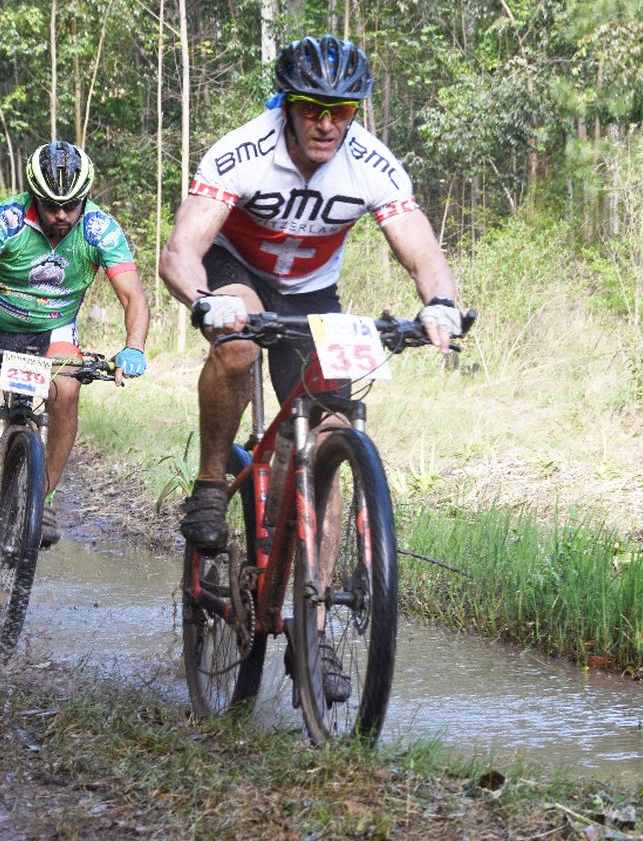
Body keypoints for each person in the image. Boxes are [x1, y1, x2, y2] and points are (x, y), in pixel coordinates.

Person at [160, 34, 465, 553]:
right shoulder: (244, 151)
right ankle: (211, 485)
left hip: (312, 293)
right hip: (236, 269)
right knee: (238, 343)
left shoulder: (373, 164)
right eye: (312, 109)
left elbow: (422, 251)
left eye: (341, 110)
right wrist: (205, 300)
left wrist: (440, 303)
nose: (326, 124)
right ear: (288, 106)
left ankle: (312, 622)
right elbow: (181, 250)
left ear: (353, 112)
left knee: (327, 435)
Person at [0, 140, 150, 592]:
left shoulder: (100, 229)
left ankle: (41, 501)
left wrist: (134, 346)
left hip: (53, 335)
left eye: (71, 205)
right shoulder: (6, 220)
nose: (62, 215)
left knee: (67, 389)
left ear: (84, 198)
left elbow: (133, 294)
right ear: (32, 195)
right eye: (51, 205)